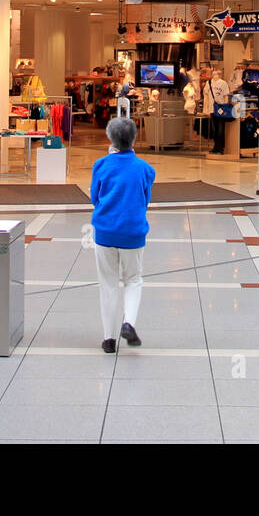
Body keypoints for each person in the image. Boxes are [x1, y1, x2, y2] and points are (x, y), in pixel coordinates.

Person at [89, 117, 154, 354]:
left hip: (105, 231)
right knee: (133, 279)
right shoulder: (146, 169)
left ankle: (108, 339)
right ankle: (129, 322)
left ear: (110, 138)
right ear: (134, 138)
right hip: (133, 232)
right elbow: (145, 199)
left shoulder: (101, 165)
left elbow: (94, 197)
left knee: (107, 284)